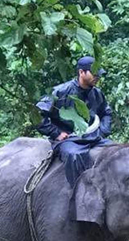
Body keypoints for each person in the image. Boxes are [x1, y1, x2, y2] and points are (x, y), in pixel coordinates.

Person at [36, 56, 113, 187]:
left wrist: (102, 132)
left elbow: (106, 112)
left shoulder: (97, 94)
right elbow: (37, 115)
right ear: (81, 72)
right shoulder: (60, 91)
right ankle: (80, 192)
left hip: (93, 138)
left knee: (115, 150)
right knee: (75, 155)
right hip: (69, 140)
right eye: (94, 73)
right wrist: (56, 133)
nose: (97, 77)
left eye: (98, 74)